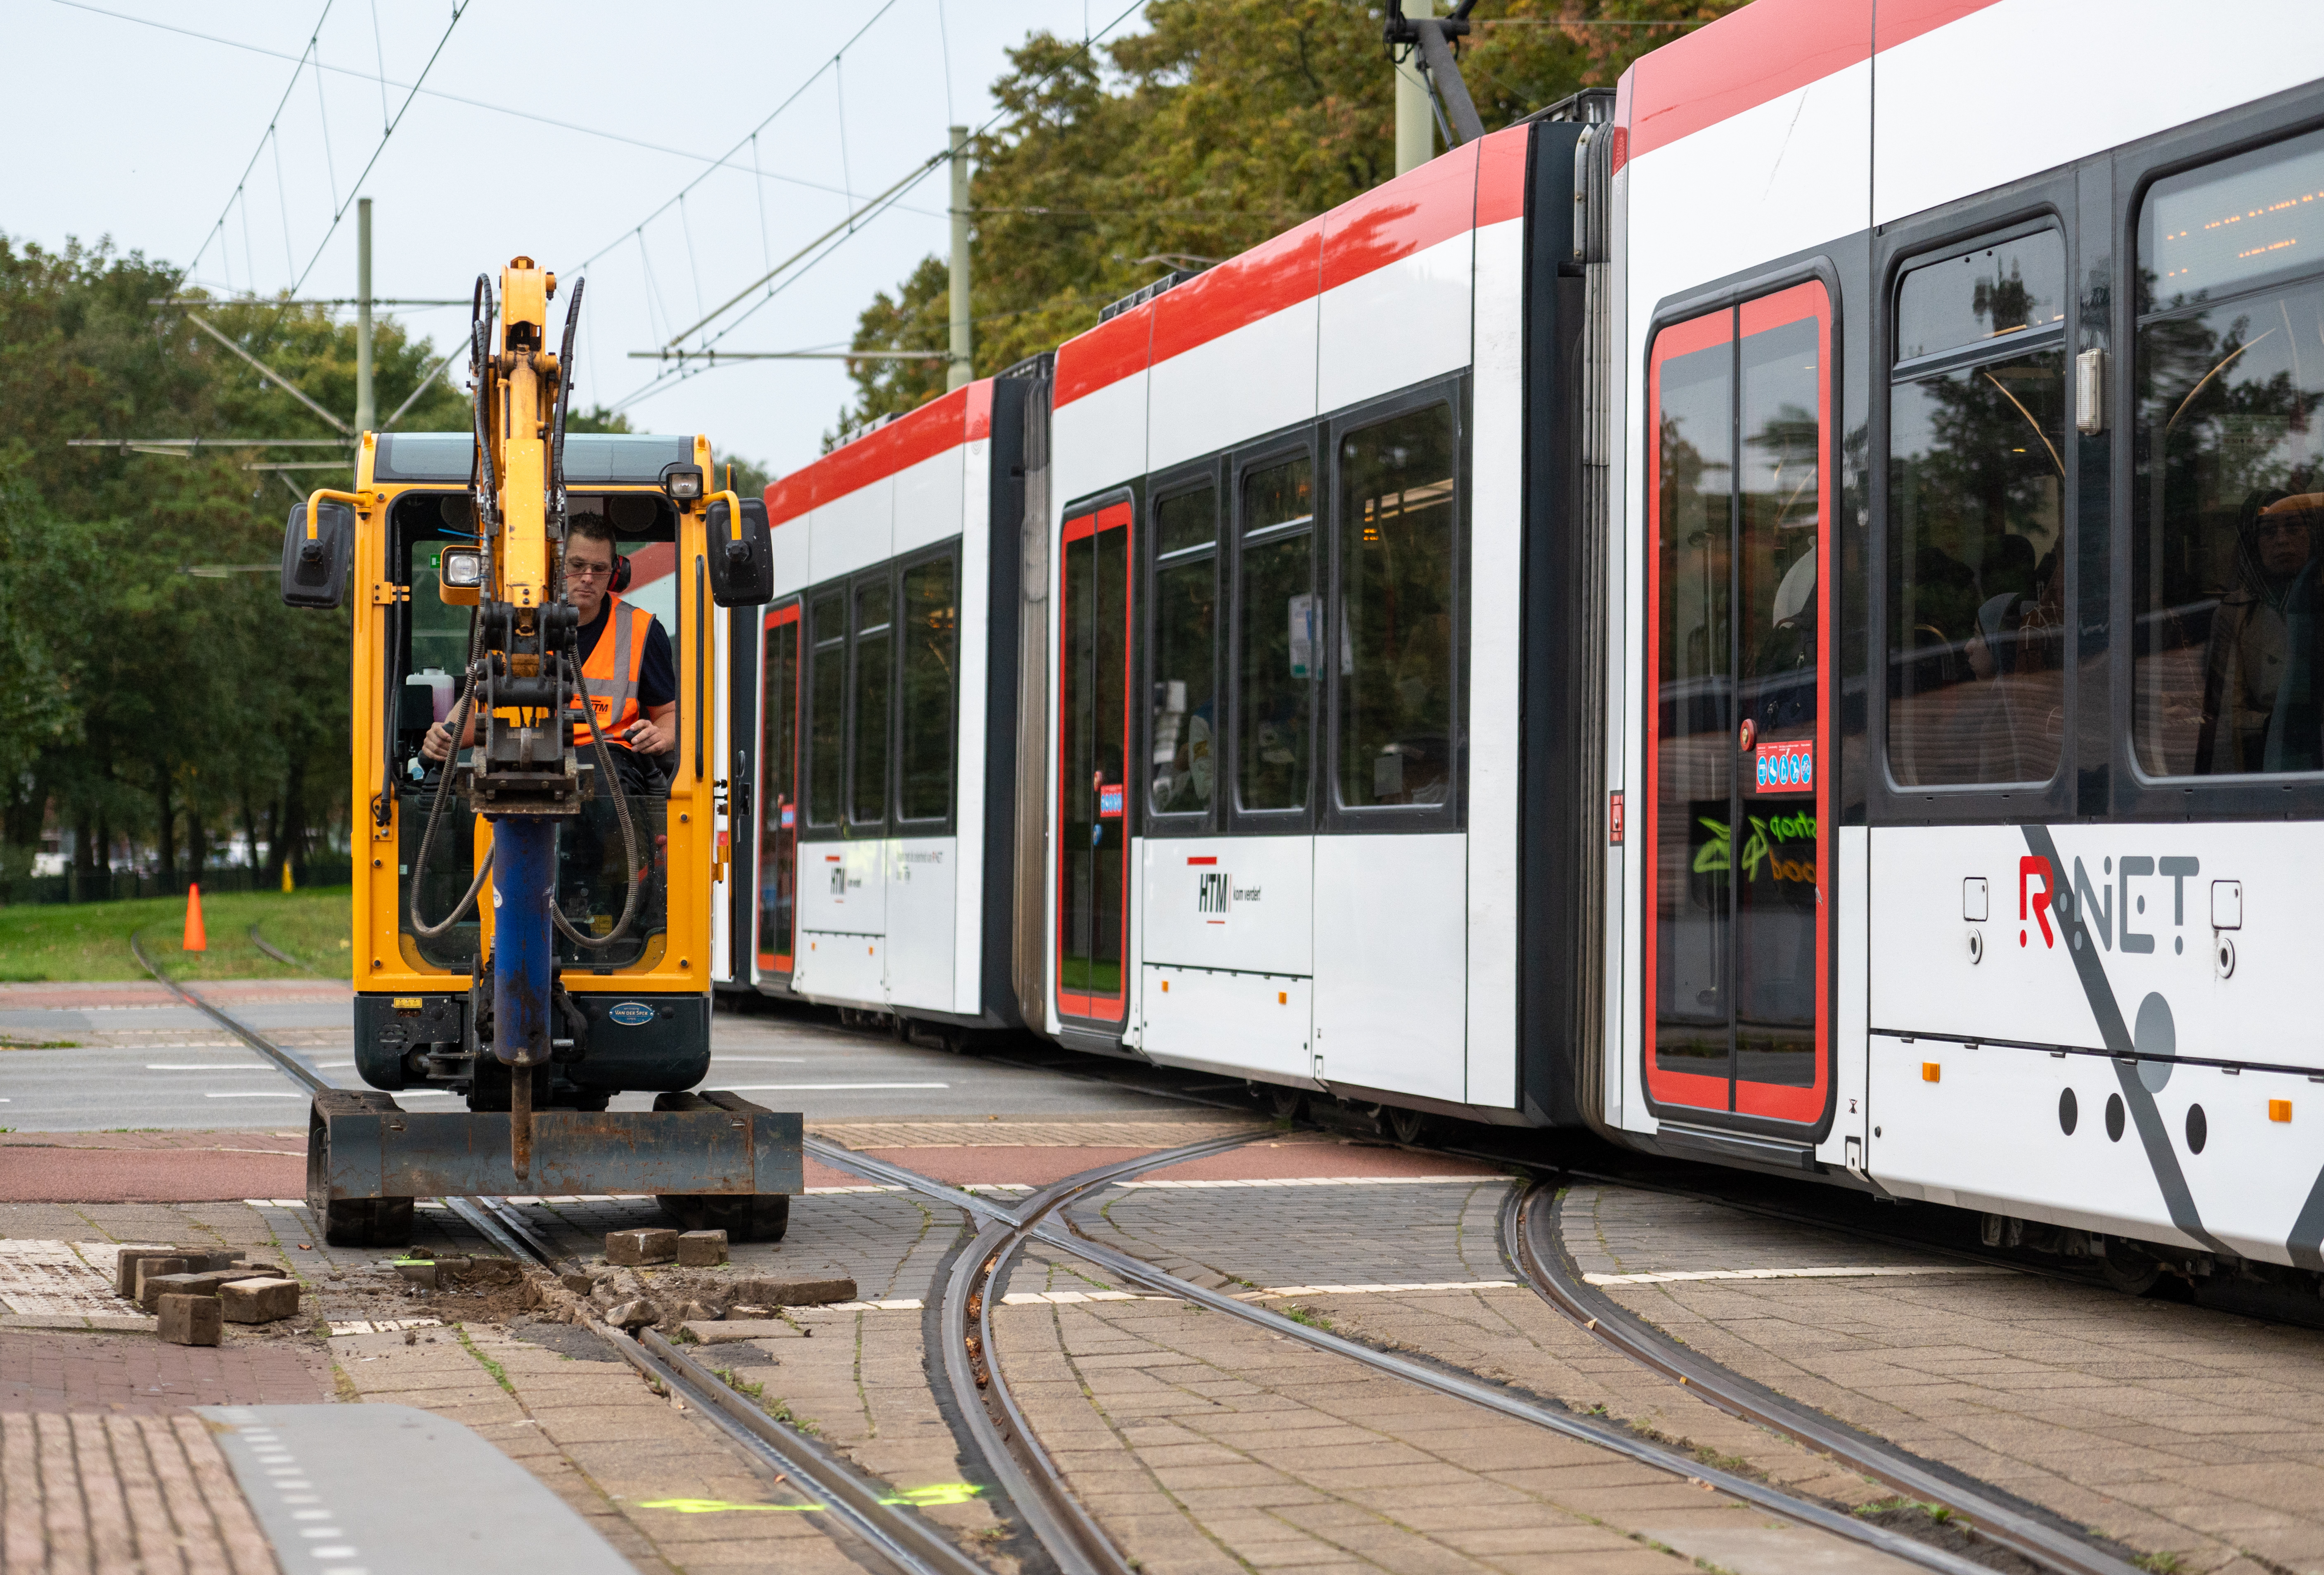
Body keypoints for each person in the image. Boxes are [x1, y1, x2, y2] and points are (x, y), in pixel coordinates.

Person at [420, 510, 679, 786]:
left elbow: (669, 714)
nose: (588, 578)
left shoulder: (642, 630)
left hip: (609, 763)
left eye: (599, 569)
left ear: (616, 572)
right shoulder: (515, 622)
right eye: (577, 565)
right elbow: (480, 702)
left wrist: (661, 735)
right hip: (521, 752)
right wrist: (444, 737)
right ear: (557, 565)